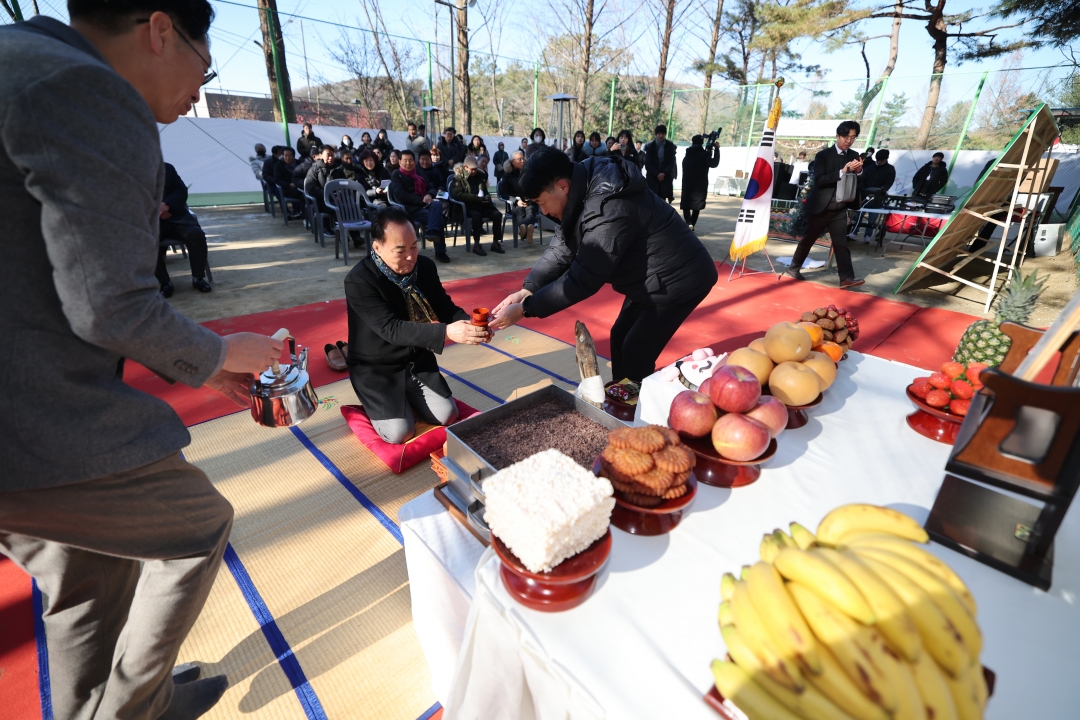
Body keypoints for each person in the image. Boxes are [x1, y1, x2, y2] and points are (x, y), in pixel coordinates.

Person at [0, 5, 285, 719]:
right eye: (205, 63)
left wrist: (200, 366)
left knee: (86, 578)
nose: (200, 88)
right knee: (198, 523)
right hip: (34, 419)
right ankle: (134, 709)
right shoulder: (88, 90)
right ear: (160, 30)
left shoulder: (18, 53)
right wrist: (219, 350)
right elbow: (106, 305)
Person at [490, 146, 718, 388]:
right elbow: (561, 248)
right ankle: (624, 399)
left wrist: (526, 309)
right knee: (620, 337)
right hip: (650, 277)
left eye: (541, 202)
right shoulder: (581, 185)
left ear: (562, 186)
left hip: (681, 278)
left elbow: (582, 280)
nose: (543, 211)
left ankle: (635, 411)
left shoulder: (608, 209)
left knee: (636, 350)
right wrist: (529, 289)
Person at [343, 207, 490, 444]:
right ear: (377, 247)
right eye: (400, 250)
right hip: (377, 367)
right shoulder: (359, 280)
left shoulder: (425, 267)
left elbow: (444, 306)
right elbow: (391, 329)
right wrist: (447, 332)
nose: (411, 257)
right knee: (400, 433)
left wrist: (472, 324)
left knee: (448, 415)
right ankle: (382, 405)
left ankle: (404, 402)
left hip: (415, 360)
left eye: (414, 246)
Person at [786, 120, 866, 289]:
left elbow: (861, 181)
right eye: (846, 137)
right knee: (808, 239)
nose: (849, 141)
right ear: (837, 136)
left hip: (840, 208)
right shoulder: (823, 155)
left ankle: (846, 278)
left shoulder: (854, 155)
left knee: (841, 245)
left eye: (853, 137)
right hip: (821, 207)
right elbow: (820, 180)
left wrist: (859, 171)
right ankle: (794, 268)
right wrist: (842, 172)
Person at [157, 162, 211, 296]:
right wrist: (157, 211)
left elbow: (181, 190)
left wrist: (168, 205)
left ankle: (198, 278)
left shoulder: (167, 168)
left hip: (176, 217)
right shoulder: (131, 173)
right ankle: (164, 282)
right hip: (150, 220)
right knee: (144, 241)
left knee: (196, 234)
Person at [389, 149, 450, 262]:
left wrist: (429, 195)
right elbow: (401, 195)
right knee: (439, 219)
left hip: (423, 206)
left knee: (437, 205)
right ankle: (440, 251)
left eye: (411, 160)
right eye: (405, 160)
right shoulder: (397, 174)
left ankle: (431, 232)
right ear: (400, 162)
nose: (408, 163)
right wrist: (422, 200)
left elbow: (431, 187)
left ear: (414, 161)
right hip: (408, 209)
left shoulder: (418, 172)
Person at [451, 155, 504, 256]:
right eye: (472, 169)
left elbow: (485, 191)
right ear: (465, 167)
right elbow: (457, 195)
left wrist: (487, 198)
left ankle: (496, 242)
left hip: (482, 204)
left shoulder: (481, 176)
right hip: (468, 207)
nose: (474, 171)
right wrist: (476, 198)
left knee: (497, 214)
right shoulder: (458, 178)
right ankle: (476, 244)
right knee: (477, 216)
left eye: (476, 169)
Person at [854, 148, 896, 242]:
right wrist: (863, 189)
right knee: (858, 215)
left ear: (886, 159)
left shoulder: (890, 169)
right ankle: (854, 232)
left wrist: (881, 190)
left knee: (873, 217)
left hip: (878, 197)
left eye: (881, 160)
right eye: (878, 160)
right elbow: (862, 179)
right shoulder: (870, 167)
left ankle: (868, 235)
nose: (879, 162)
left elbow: (889, 183)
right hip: (865, 195)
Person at [680, 134, 720, 231]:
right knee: (696, 206)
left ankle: (688, 223)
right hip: (700, 186)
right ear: (702, 143)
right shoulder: (704, 155)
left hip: (687, 184)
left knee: (686, 205)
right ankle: (691, 225)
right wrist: (717, 150)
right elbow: (714, 163)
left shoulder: (687, 155)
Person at [502, 149, 538, 245]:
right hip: (514, 204)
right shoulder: (507, 175)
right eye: (520, 159)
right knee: (519, 211)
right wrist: (516, 201)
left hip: (529, 201)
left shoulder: (528, 172)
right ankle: (527, 232)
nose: (523, 161)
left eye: (523, 158)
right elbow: (503, 193)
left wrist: (530, 199)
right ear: (513, 162)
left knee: (531, 211)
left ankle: (524, 231)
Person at [305, 144, 337, 230]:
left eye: (332, 155)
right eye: (328, 155)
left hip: (338, 199)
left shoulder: (338, 168)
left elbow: (344, 185)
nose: (330, 158)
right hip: (322, 201)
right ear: (321, 155)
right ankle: (341, 234)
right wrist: (330, 196)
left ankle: (355, 234)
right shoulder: (314, 170)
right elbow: (311, 188)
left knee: (351, 205)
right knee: (338, 209)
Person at [644, 123, 677, 203]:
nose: (660, 136)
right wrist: (657, 173)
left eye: (662, 134)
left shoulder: (670, 146)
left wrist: (664, 173)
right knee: (652, 200)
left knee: (662, 201)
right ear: (656, 135)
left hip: (665, 178)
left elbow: (671, 162)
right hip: (652, 178)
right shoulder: (650, 147)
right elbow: (648, 163)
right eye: (658, 134)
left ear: (665, 134)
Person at [273, 147, 304, 218]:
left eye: (289, 156)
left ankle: (301, 212)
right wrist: (288, 185)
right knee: (300, 192)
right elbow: (277, 180)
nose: (287, 158)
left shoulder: (300, 163)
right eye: (285, 156)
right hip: (286, 188)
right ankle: (298, 212)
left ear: (293, 156)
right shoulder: (278, 165)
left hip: (299, 185)